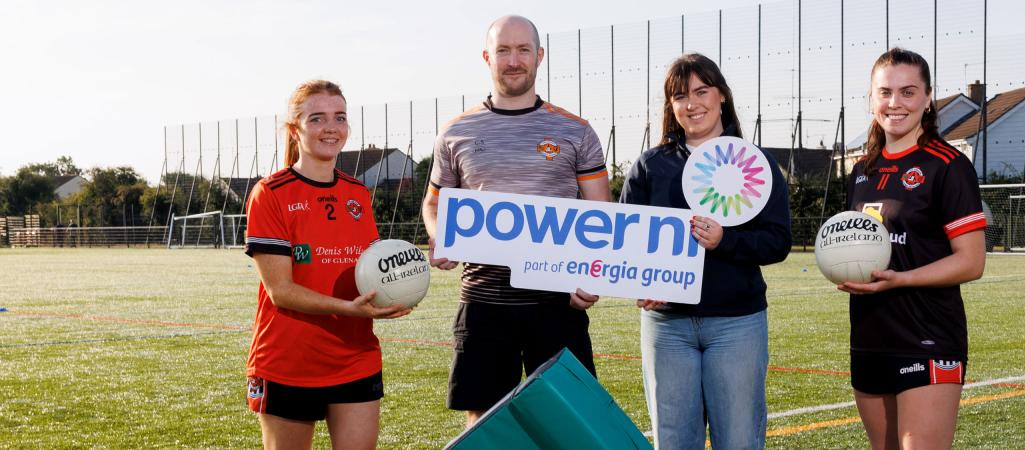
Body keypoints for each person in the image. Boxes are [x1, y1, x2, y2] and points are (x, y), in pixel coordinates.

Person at [419, 15, 611, 427]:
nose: (513, 60)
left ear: (539, 56)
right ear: (487, 57)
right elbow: (433, 205)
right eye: (503, 50)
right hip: (484, 300)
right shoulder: (456, 131)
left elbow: (602, 218)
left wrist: (594, 276)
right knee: (485, 423)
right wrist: (442, 236)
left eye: (523, 49)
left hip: (558, 301)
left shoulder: (575, 130)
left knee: (570, 422)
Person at [619, 53, 791, 450]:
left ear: (722, 97)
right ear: (671, 106)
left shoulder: (756, 163)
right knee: (675, 441)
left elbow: (778, 242)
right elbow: (626, 241)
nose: (691, 104)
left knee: (739, 440)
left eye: (701, 91)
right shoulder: (650, 166)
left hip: (736, 322)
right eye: (680, 96)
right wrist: (639, 282)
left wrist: (725, 240)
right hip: (667, 326)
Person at [243, 80, 412, 449]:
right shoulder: (270, 193)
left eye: (340, 117)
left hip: (356, 357)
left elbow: (370, 269)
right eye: (317, 118)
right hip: (288, 361)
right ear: (295, 129)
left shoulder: (357, 194)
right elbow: (280, 291)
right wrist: (347, 309)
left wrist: (400, 286)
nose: (330, 127)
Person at [839, 48, 987, 450]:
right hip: (870, 336)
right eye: (885, 92)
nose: (895, 103)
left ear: (927, 97)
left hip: (928, 338)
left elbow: (972, 262)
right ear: (871, 98)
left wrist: (901, 279)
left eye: (908, 92)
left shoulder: (948, 166)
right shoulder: (861, 171)